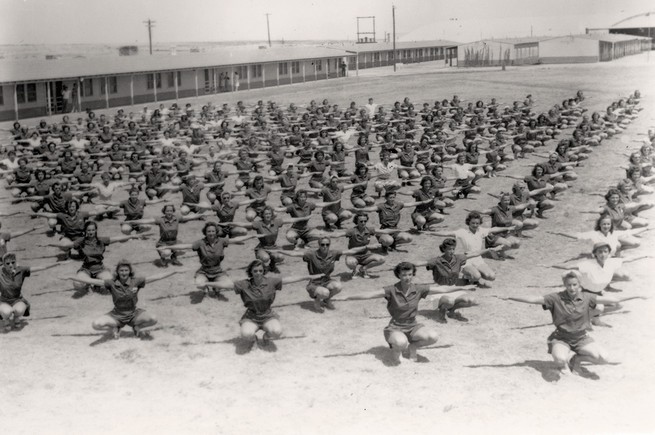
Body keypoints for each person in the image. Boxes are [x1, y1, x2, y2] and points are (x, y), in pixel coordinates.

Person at [501, 270, 646, 376]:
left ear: (579, 285)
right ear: (564, 284)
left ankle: (576, 360)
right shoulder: (555, 298)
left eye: (574, 285)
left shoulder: (587, 297)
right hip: (561, 338)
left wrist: (637, 295)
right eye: (569, 285)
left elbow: (615, 300)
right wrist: (509, 297)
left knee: (603, 358)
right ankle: (564, 365)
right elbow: (533, 299)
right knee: (559, 360)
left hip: (581, 338)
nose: (571, 288)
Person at [336, 262, 474, 364]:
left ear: (413, 275)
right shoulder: (391, 290)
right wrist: (346, 297)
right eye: (404, 275)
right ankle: (397, 352)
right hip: (395, 327)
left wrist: (464, 287)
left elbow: (441, 290)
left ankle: (413, 347)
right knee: (400, 345)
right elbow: (369, 295)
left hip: (413, 326)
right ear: (398, 275)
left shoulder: (418, 289)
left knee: (433, 337)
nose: (407, 277)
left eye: (409, 274)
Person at [211, 259, 322, 350]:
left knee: (277, 332)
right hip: (251, 316)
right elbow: (227, 285)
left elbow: (289, 280)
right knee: (246, 334)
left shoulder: (271, 282)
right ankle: (254, 340)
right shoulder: (244, 284)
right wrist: (207, 283)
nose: (258, 273)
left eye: (260, 270)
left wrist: (307, 277)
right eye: (255, 271)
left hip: (267, 315)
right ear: (251, 272)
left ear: (264, 271)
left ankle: (266, 337)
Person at [70, 259, 182, 339]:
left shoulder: (136, 281)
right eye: (121, 271)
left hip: (134, 314)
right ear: (117, 272)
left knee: (153, 319)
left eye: (126, 271)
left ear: (130, 272)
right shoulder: (111, 283)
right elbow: (93, 281)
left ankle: (136, 326)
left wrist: (174, 272)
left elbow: (155, 277)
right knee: (96, 324)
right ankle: (116, 326)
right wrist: (71, 277)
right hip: (117, 315)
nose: (124, 273)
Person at [158, 222, 261, 298]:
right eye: (208, 231)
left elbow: (235, 240)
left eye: (213, 231)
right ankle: (210, 285)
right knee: (199, 285)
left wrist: (251, 236)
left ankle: (211, 285)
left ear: (216, 232)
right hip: (204, 271)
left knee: (229, 286)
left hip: (218, 271)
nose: (211, 233)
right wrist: (168, 248)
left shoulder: (221, 241)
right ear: (205, 233)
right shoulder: (200, 243)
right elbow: (186, 246)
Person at [413, 238, 501, 322]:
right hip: (439, 291)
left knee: (472, 301)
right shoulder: (437, 261)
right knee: (449, 301)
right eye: (449, 249)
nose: (452, 252)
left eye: (453, 249)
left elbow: (475, 254)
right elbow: (420, 263)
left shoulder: (458, 258)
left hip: (453, 288)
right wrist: (405, 265)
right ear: (444, 249)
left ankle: (451, 311)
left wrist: (489, 249)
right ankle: (441, 311)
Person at [271, 237, 365, 313]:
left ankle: (327, 300)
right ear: (319, 245)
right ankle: (317, 301)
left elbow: (349, 252)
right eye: (322, 244)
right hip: (314, 283)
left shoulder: (333, 253)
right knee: (325, 292)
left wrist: (367, 247)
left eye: (327, 244)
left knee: (338, 286)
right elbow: (294, 254)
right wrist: (280, 251)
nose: (325, 246)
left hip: (326, 281)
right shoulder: (312, 254)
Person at [428, 211, 515, 287]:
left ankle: (474, 275)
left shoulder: (481, 231)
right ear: (468, 222)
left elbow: (494, 229)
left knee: (491, 276)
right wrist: (431, 233)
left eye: (477, 223)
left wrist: (507, 228)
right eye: (473, 223)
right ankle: (466, 276)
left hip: (478, 259)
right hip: (467, 259)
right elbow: (447, 233)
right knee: (476, 276)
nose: (475, 225)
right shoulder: (462, 232)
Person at [0, 253, 66, 332]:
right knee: (7, 312)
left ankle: (16, 317)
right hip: (4, 300)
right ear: (3, 264)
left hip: (17, 300)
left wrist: (57, 263)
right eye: (7, 263)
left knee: (20, 310)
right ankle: (6, 319)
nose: (11, 265)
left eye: (13, 262)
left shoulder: (21, 270)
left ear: (16, 262)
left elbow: (41, 267)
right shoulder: (0, 272)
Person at [125, 204, 206, 267]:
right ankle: (163, 257)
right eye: (167, 211)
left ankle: (174, 258)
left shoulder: (177, 218)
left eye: (171, 211)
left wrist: (201, 214)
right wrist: (133, 221)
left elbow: (189, 217)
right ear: (164, 212)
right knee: (166, 252)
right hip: (163, 242)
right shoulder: (161, 220)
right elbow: (147, 221)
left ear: (173, 211)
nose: (169, 212)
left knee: (181, 248)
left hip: (174, 242)